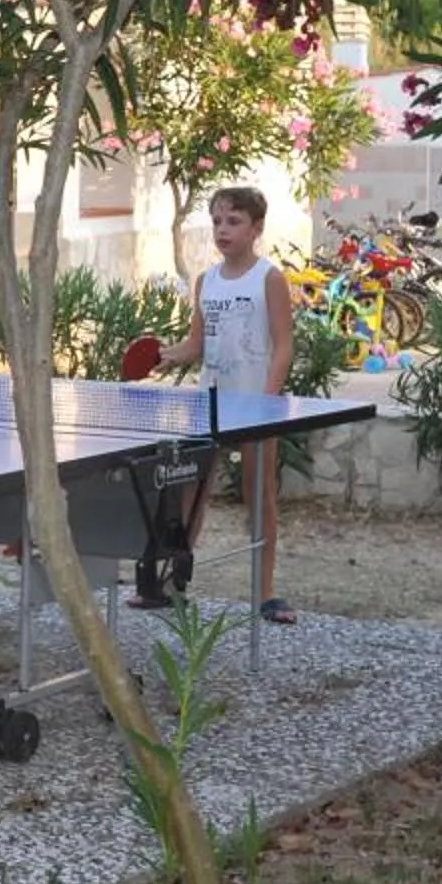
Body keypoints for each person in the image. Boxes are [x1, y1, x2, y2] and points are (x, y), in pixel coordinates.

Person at [156, 184, 299, 622]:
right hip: (210, 405)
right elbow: (196, 344)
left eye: (233, 221)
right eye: (217, 220)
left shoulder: (269, 278)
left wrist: (269, 402)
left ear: (255, 228)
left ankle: (266, 593)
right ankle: (171, 583)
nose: (222, 229)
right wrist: (166, 354)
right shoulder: (206, 281)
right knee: (191, 495)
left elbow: (283, 344)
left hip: (255, 406)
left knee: (261, 499)